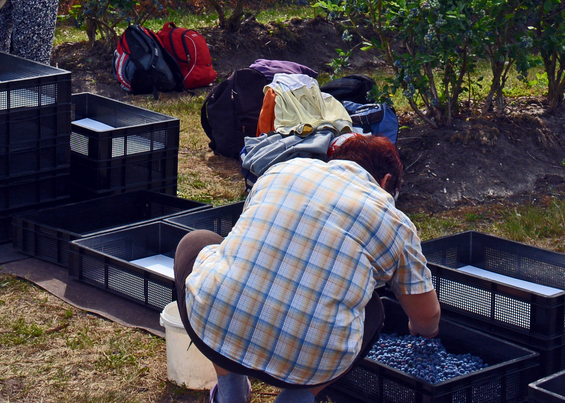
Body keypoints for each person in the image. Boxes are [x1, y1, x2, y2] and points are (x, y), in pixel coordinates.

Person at [175, 135, 440, 403]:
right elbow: (427, 316)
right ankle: (296, 399)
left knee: (196, 243)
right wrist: (422, 331)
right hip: (309, 365)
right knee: (372, 310)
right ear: (385, 182)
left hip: (214, 330)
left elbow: (247, 248)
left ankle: (230, 392)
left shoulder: (282, 170)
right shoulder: (396, 223)